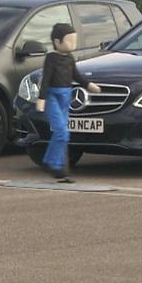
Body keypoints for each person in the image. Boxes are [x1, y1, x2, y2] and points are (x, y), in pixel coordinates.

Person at [36, 23, 100, 182]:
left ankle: (52, 164)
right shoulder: (51, 58)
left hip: (66, 97)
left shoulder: (70, 58)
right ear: (57, 42)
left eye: (74, 40)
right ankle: (56, 166)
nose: (73, 44)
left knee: (63, 134)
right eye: (69, 41)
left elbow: (76, 76)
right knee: (62, 133)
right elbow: (45, 80)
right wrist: (42, 98)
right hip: (53, 97)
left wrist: (88, 85)